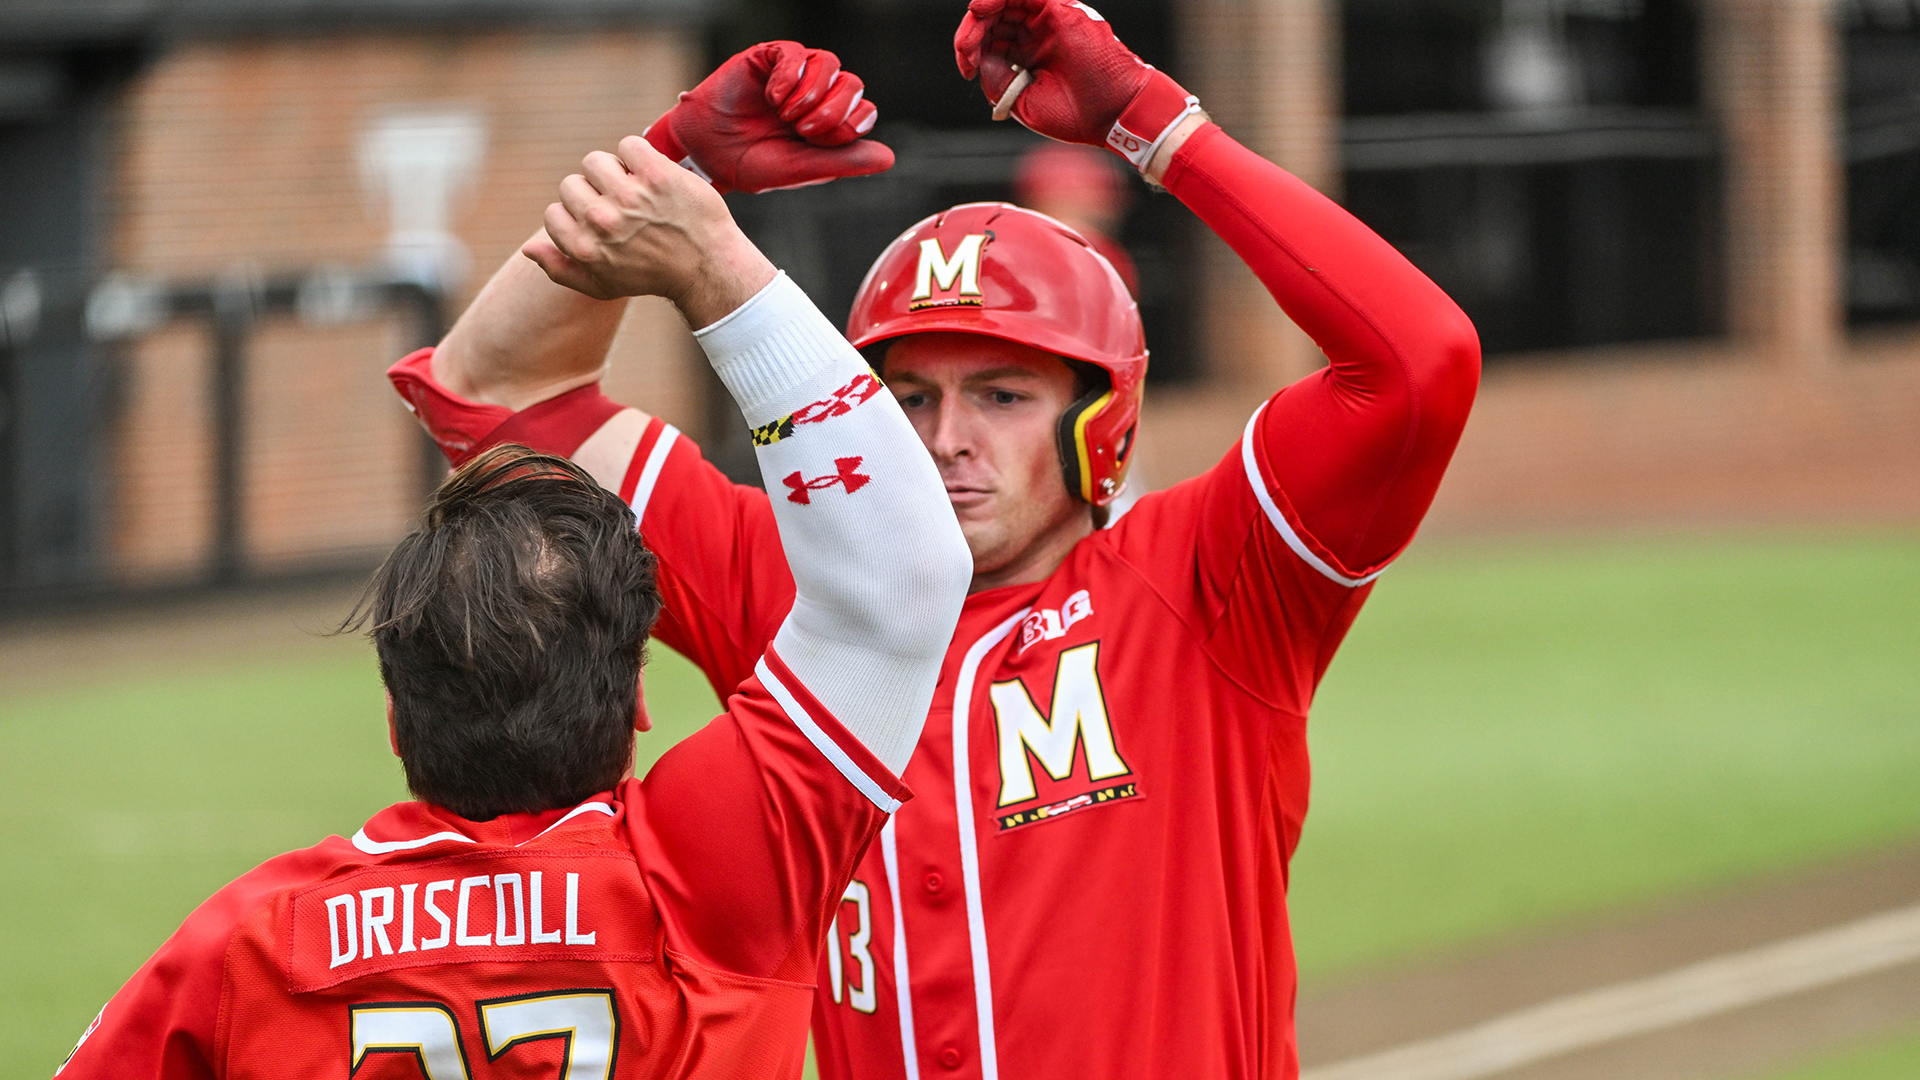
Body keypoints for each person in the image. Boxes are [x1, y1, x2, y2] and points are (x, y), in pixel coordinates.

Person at [395, 5, 1482, 1078]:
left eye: (1002, 394)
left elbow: (1418, 359)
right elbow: (492, 386)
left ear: (1100, 421)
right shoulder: (792, 587)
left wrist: (1153, 122)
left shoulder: (1210, 582)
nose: (945, 443)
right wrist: (672, 172)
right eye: (906, 398)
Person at [51, 77, 972, 1080]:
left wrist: (673, 181)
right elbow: (903, 577)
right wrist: (709, 257)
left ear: (399, 722)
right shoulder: (706, 884)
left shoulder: (248, 945)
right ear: (635, 714)